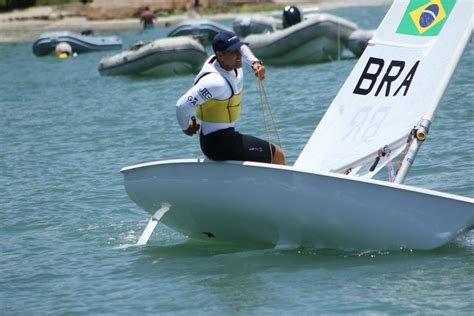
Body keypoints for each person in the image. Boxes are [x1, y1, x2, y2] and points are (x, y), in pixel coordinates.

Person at [176, 31, 285, 165]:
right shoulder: (214, 82)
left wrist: (254, 62)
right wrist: (186, 127)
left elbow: (243, 48)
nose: (239, 54)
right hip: (217, 144)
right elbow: (182, 105)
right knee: (277, 156)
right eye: (233, 51)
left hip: (228, 136)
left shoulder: (228, 62)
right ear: (219, 55)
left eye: (238, 49)